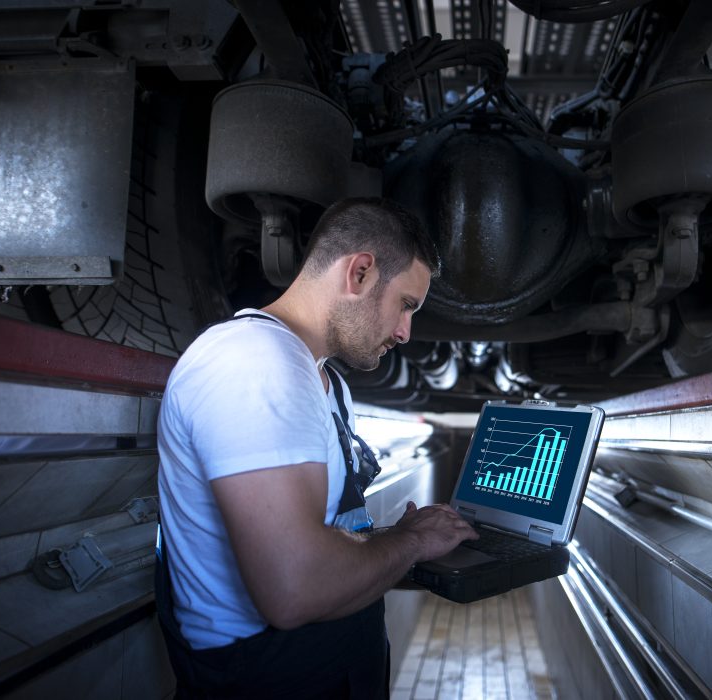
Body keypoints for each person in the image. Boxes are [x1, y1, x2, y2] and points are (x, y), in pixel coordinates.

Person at [155, 197, 478, 699]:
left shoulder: (323, 380)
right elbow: (293, 588)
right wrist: (410, 542)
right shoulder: (253, 361)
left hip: (326, 669)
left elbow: (321, 534)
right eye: (406, 305)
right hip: (265, 680)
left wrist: (403, 539)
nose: (404, 332)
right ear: (361, 273)